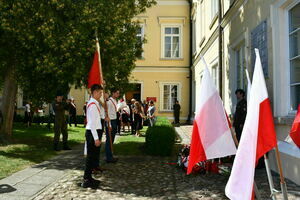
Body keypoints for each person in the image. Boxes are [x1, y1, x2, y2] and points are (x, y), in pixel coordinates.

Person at [81, 84, 103, 189]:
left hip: (94, 132)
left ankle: (89, 177)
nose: (101, 94)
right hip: (92, 133)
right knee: (90, 157)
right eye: (100, 92)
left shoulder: (94, 103)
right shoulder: (93, 105)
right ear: (94, 92)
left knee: (92, 156)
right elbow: (92, 123)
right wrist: (96, 138)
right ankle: (86, 179)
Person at [105, 88, 120, 163]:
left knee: (112, 139)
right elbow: (107, 114)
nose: (118, 94)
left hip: (114, 120)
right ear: (113, 93)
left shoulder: (115, 100)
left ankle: (111, 155)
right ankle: (108, 157)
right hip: (110, 121)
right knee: (109, 140)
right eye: (117, 93)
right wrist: (109, 125)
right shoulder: (109, 101)